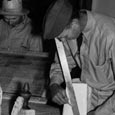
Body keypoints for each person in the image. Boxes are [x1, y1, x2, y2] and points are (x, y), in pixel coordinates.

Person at [49, 9, 115, 115]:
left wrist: (98, 113)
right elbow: (61, 64)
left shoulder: (110, 35)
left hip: (111, 104)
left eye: (64, 36)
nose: (62, 40)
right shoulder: (73, 29)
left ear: (74, 23)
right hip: (88, 97)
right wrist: (54, 85)